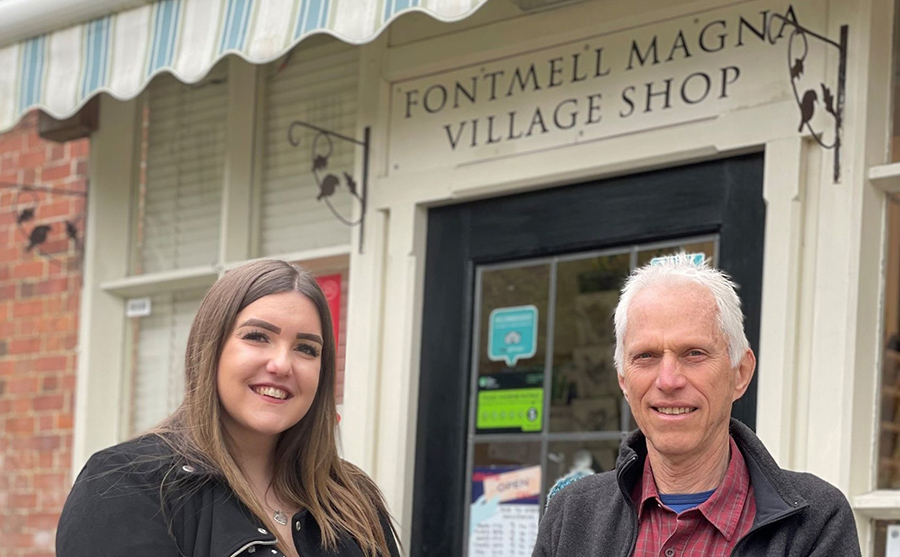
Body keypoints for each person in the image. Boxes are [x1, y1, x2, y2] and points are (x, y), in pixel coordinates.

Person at [57, 260, 401, 557]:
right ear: (211, 350)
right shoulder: (126, 483)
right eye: (257, 337)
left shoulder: (351, 497)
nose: (282, 365)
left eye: (306, 349)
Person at [532, 253, 860, 556]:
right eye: (646, 356)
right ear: (623, 381)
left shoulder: (815, 522)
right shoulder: (571, 515)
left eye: (694, 354)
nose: (668, 380)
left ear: (740, 373)